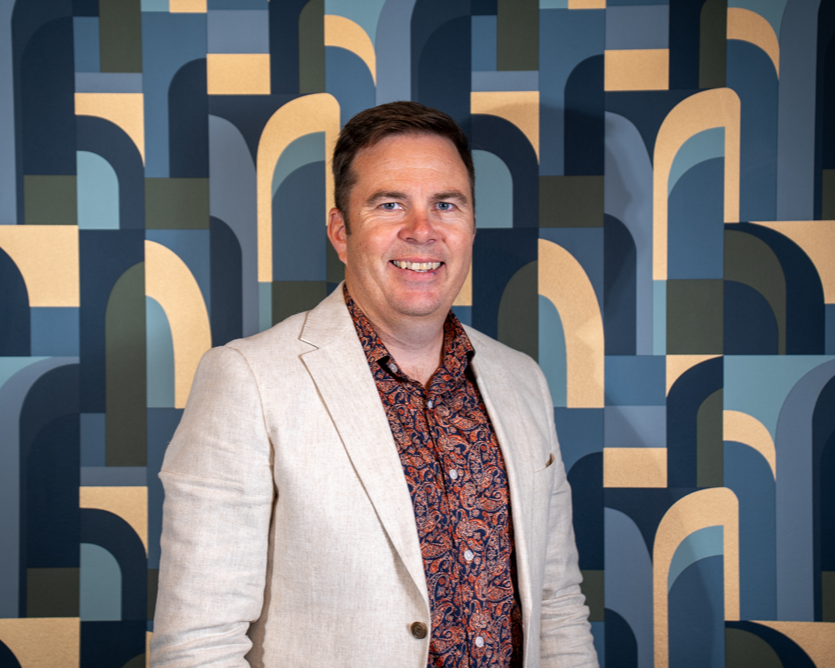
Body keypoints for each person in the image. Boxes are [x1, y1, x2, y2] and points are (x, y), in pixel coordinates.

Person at [150, 101, 598, 668]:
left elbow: (555, 603)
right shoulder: (248, 380)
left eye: (446, 204)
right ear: (341, 230)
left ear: (471, 225)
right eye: (390, 204)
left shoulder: (521, 381)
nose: (422, 231)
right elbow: (197, 643)